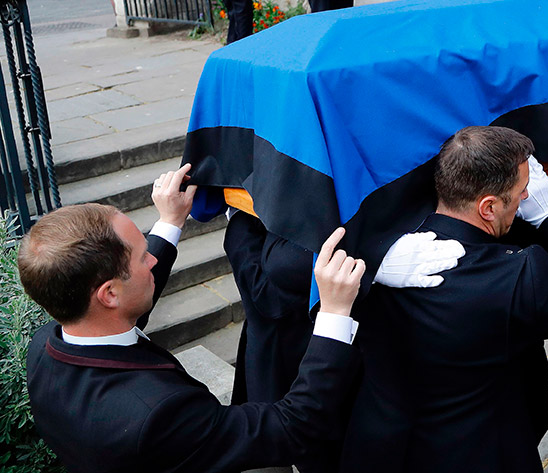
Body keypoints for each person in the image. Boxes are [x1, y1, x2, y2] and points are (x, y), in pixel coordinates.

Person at [20, 164, 369, 473]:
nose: (152, 262)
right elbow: (295, 427)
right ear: (109, 293)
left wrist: (170, 221)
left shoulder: (50, 344)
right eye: (143, 258)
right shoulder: (157, 414)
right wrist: (335, 312)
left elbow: (121, 309)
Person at [343, 126, 548, 473]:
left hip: (383, 451)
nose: (525, 198)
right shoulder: (517, 277)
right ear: (488, 207)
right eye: (522, 191)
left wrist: (372, 254)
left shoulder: (378, 255)